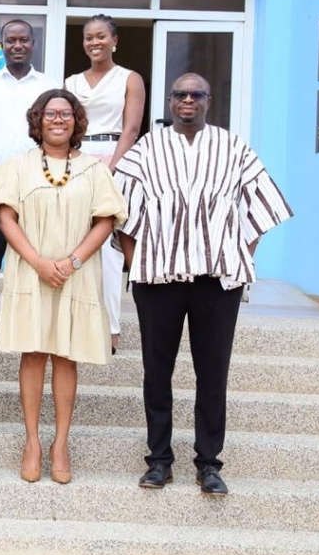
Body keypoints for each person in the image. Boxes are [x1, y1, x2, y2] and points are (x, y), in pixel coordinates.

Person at [114, 73, 292, 496]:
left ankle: (209, 463)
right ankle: (159, 461)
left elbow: (262, 203)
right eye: (180, 94)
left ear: (209, 101)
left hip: (217, 281)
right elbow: (117, 206)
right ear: (170, 102)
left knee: (212, 373)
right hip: (158, 279)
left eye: (196, 94)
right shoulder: (148, 148)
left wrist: (241, 255)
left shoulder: (233, 147)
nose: (187, 100)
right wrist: (135, 261)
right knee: (157, 372)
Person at [0, 89, 127, 484]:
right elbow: (6, 218)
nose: (58, 120)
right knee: (33, 353)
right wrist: (38, 263)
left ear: (77, 120)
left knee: (67, 356)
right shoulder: (17, 166)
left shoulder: (94, 169)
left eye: (66, 113)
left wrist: (71, 262)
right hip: (31, 271)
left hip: (76, 273)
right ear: (38, 119)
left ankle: (60, 443)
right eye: (50, 113)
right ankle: (32, 441)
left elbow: (106, 220)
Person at [0, 19, 61, 351]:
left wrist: (33, 170)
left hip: (39, 181)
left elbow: (54, 130)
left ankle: (34, 331)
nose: (17, 45)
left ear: (33, 44)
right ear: (2, 45)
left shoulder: (49, 86)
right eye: (11, 40)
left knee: (37, 257)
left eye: (23, 40)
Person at [65, 14, 146, 354]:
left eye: (101, 36)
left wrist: (113, 169)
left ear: (115, 40)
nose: (94, 43)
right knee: (73, 244)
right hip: (77, 161)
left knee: (110, 251)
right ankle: (73, 323)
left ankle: (111, 328)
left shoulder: (130, 78)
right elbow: (65, 125)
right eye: (88, 38)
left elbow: (130, 129)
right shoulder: (70, 83)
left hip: (116, 161)